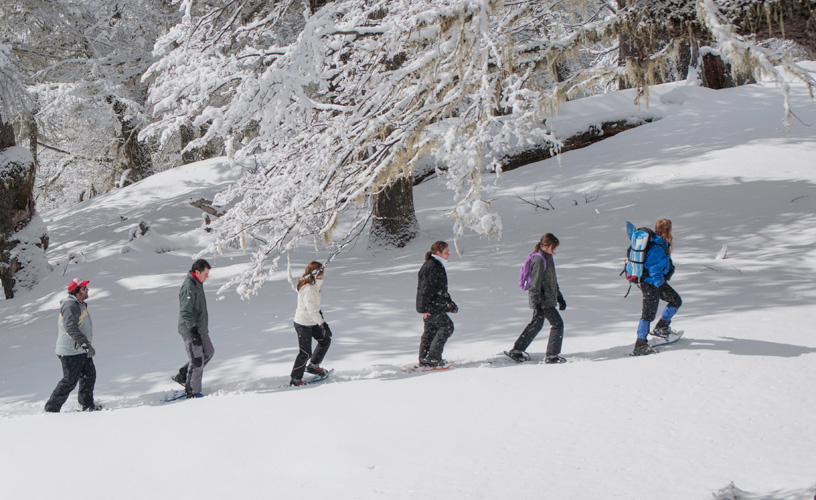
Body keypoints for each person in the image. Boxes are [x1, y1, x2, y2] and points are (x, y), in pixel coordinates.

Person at [507, 233, 567, 364]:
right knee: (557, 324)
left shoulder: (548, 257)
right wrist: (537, 303)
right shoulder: (539, 260)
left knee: (536, 324)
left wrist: (559, 297)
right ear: (546, 245)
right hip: (542, 301)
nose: (555, 250)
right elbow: (535, 285)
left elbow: (552, 281)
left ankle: (517, 350)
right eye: (553, 247)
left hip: (547, 300)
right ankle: (552, 356)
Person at [44, 278, 102, 412]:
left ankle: (86, 405)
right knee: (70, 380)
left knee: (89, 375)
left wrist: (85, 345)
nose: (87, 290)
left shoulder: (78, 303)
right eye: (84, 288)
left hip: (80, 349)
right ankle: (51, 408)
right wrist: (85, 343)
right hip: (70, 351)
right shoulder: (70, 305)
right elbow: (70, 328)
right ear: (76, 291)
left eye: (86, 288)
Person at [632, 218, 682, 356]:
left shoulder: (660, 243)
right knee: (647, 314)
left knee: (676, 300)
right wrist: (660, 284)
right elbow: (653, 269)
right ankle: (640, 345)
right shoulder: (657, 247)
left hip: (653, 283)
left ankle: (662, 327)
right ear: (668, 230)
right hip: (651, 284)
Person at [172, 259, 214, 398]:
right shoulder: (189, 287)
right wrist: (193, 331)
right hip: (191, 330)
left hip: (201, 329)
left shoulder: (198, 283)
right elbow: (185, 312)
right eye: (206, 273)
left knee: (208, 352)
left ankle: (184, 374)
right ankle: (193, 391)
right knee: (197, 359)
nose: (207, 276)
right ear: (197, 272)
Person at [415, 241, 458, 367]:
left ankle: (425, 358)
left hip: (432, 304)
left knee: (431, 330)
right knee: (447, 327)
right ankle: (433, 358)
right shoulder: (432, 266)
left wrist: (449, 302)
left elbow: (440, 288)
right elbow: (424, 289)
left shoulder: (436, 265)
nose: (448, 254)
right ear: (438, 253)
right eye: (446, 252)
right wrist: (422, 308)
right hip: (431, 306)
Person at [289, 261, 332, 386]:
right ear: (315, 273)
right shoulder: (309, 288)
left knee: (325, 340)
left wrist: (320, 320)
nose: (323, 275)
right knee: (305, 353)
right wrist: (323, 324)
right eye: (321, 272)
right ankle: (295, 379)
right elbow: (311, 309)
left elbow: (315, 307)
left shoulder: (314, 285)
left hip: (311, 321)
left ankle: (313, 366)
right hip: (302, 323)